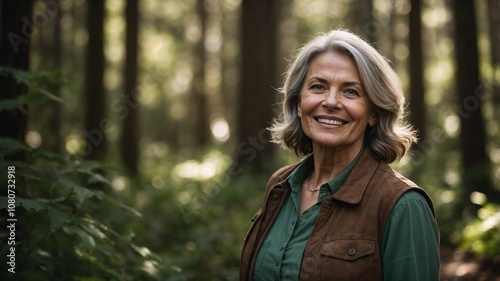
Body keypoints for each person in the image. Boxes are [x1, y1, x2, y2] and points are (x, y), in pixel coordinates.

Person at [239, 29, 440, 281]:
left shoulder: (403, 205)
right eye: (318, 86)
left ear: (374, 113)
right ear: (299, 102)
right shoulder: (280, 185)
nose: (331, 101)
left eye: (351, 91)